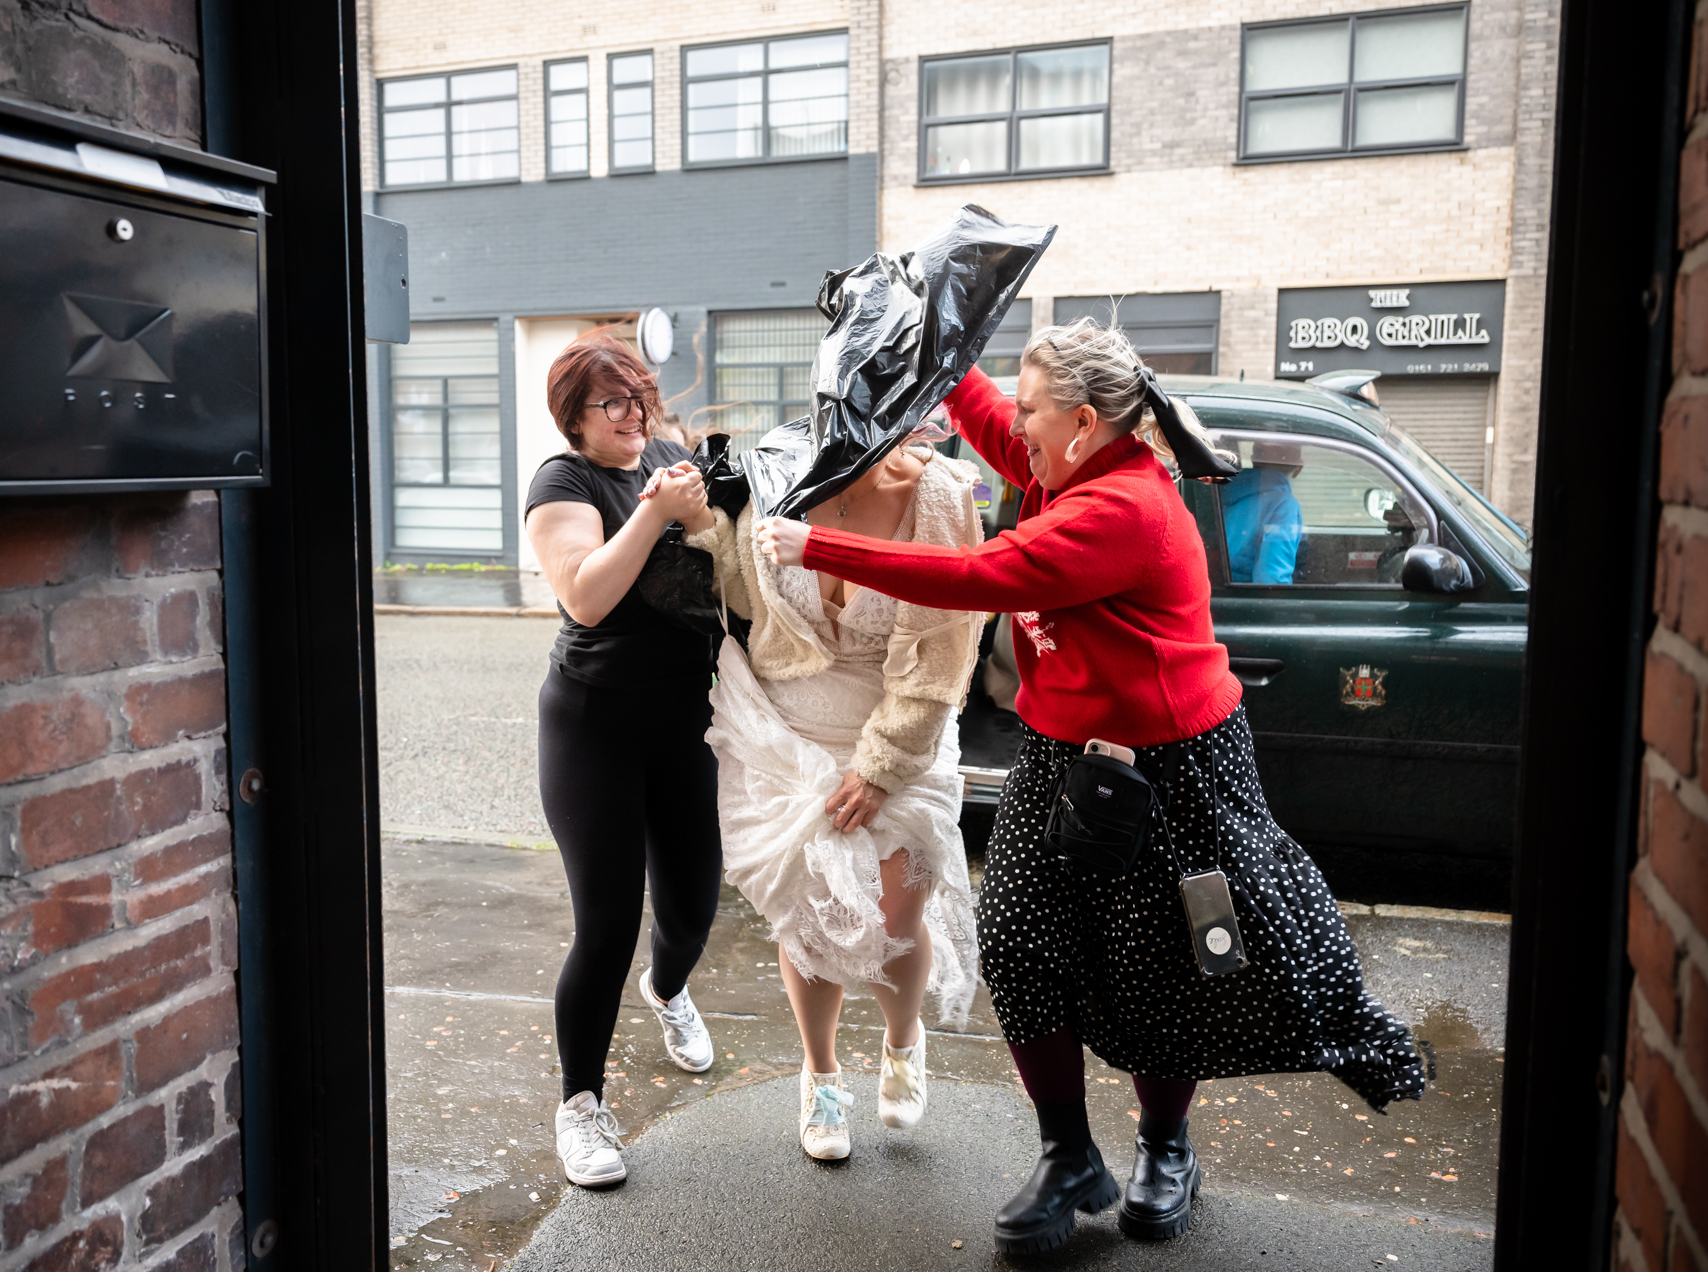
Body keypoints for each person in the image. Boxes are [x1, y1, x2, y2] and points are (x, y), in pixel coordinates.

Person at [756, 319, 1424, 1253]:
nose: (1014, 431)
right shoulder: (1061, 465)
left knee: (1166, 963)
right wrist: (933, 348)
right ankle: (1068, 1153)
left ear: (1081, 422)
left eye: (1033, 413)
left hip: (1173, 764)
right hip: (1061, 749)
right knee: (1022, 943)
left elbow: (983, 573)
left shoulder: (1122, 511)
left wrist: (816, 547)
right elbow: (986, 412)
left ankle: (1164, 1146)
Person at [680, 436, 984, 1161]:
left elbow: (950, 644)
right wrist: (705, 526)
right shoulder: (779, 469)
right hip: (793, 728)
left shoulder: (942, 493)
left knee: (896, 917)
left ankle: (904, 1039)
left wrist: (885, 763)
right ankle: (820, 1075)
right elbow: (747, 591)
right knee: (806, 918)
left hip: (903, 724)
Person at [522, 333, 724, 1189]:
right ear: (575, 416)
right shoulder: (563, 483)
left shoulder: (673, 456)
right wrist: (655, 510)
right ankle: (580, 1106)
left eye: (642, 397)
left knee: (692, 909)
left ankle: (669, 988)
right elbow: (587, 594)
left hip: (687, 721)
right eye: (615, 403)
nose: (637, 415)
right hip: (593, 724)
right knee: (605, 921)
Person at [1220, 441, 1304, 584]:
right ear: (1298, 468)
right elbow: (1271, 580)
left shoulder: (1219, 490)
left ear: (1253, 459)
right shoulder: (1284, 505)